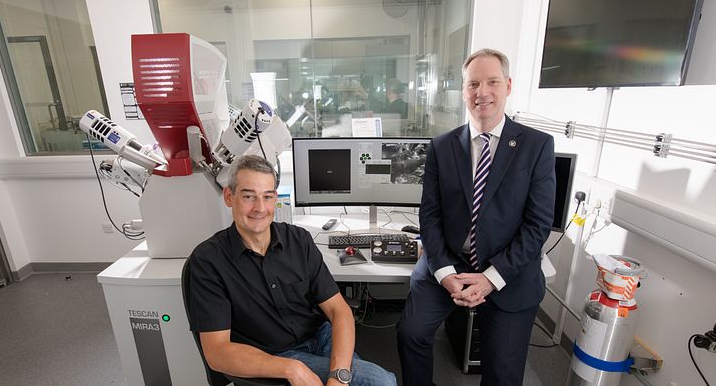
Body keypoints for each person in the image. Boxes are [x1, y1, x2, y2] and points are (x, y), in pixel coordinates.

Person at [396, 49, 556, 386]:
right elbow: (430, 214)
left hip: (507, 272)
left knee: (503, 372)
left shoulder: (536, 146)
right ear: (463, 91)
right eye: (473, 84)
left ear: (508, 86)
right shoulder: (442, 146)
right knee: (411, 332)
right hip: (449, 262)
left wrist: (491, 277)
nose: (482, 92)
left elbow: (538, 225)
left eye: (492, 82)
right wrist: (443, 273)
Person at [186, 155, 397, 386]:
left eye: (267, 197)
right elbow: (217, 353)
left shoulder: (299, 240)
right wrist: (292, 368)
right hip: (272, 355)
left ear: (275, 198)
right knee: (380, 381)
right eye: (248, 196)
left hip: (320, 336)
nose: (260, 208)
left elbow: (339, 310)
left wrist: (338, 376)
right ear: (229, 196)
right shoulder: (208, 261)